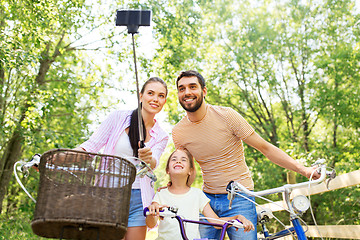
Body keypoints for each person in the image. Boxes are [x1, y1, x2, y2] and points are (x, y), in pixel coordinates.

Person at [171, 70, 320, 240]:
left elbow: (265, 148)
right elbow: (187, 170)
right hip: (207, 201)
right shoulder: (178, 132)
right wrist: (173, 188)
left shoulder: (227, 116)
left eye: (192, 87)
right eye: (181, 89)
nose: (187, 92)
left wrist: (305, 171)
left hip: (239, 198)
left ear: (204, 91)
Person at [75, 77, 169, 240]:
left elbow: (154, 162)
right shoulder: (118, 118)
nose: (155, 99)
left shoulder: (162, 135)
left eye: (160, 96)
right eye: (150, 93)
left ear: (164, 101)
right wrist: (60, 158)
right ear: (141, 96)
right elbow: (90, 147)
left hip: (139, 198)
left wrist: (148, 159)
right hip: (109, 193)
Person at [146, 149, 254, 240]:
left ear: (190, 171)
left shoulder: (197, 194)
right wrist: (152, 212)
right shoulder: (161, 194)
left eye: (183, 160)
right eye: (174, 159)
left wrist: (238, 217)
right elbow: (151, 224)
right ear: (168, 170)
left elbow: (215, 222)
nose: (178, 161)